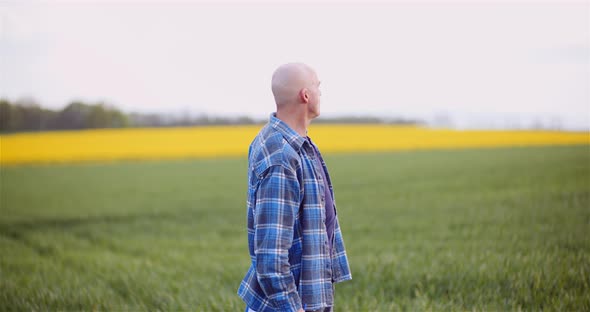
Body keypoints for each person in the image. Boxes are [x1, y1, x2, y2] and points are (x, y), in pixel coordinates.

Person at [237, 62, 352, 312]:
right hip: (287, 305)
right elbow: (271, 257)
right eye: (317, 86)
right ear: (305, 95)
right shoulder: (281, 155)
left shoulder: (297, 145)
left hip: (305, 297)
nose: (321, 92)